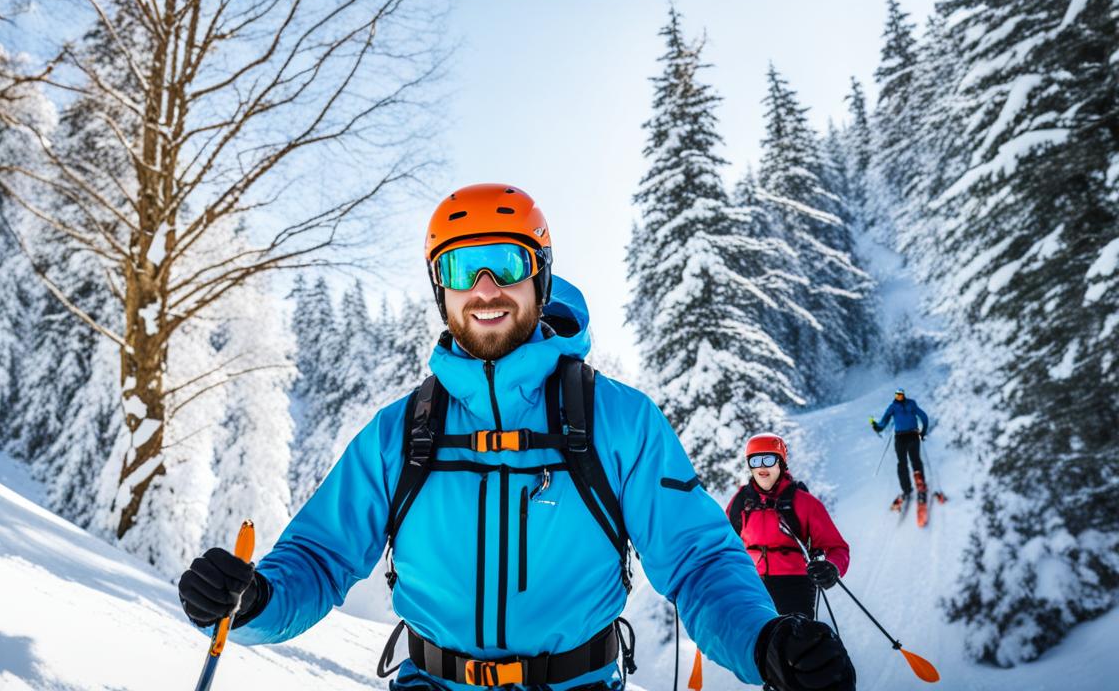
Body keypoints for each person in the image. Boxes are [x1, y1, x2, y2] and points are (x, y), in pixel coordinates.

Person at [177, 185, 855, 691]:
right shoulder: (401, 432)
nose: (484, 288)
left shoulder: (617, 421)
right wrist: (251, 603)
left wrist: (763, 639)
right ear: (437, 290)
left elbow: (698, 559)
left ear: (541, 275)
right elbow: (321, 556)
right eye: (458, 269)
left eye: (504, 261)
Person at [726, 434, 850, 621]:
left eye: (768, 459)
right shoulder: (741, 502)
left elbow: (837, 547)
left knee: (794, 645)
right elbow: (723, 543)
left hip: (795, 586)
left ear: (781, 463)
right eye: (755, 460)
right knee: (753, 646)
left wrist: (832, 567)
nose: (761, 466)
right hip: (751, 585)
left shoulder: (804, 503)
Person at [871, 387, 931, 511]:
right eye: (897, 395)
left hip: (913, 434)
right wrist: (877, 427)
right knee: (901, 463)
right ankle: (906, 489)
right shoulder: (892, 407)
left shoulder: (911, 404)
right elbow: (884, 421)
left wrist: (923, 432)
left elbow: (923, 417)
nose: (899, 397)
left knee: (915, 459)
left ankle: (920, 483)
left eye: (900, 395)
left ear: (904, 395)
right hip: (900, 438)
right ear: (895, 396)